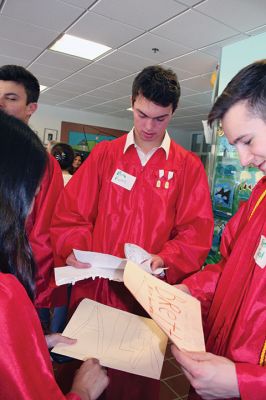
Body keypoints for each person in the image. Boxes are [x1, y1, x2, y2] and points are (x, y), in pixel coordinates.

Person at [51, 65, 214, 399]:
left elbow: (195, 233)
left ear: (173, 113)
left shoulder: (187, 167)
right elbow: (71, 215)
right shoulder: (104, 156)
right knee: (82, 377)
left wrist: (164, 259)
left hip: (145, 300)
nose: (149, 126)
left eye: (161, 118)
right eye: (142, 115)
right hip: (95, 292)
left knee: (133, 387)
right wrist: (75, 248)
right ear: (132, 103)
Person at [172, 60, 266, 400]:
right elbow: (230, 266)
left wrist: (247, 384)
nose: (243, 160)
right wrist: (188, 291)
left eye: (248, 141)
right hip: (220, 367)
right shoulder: (260, 195)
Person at [0, 110, 109, 400]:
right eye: (32, 191)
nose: (34, 199)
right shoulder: (5, 295)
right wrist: (82, 391)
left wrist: (30, 344)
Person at [0, 64, 64, 332]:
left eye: (11, 98)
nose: (1, 105)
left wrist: (30, 294)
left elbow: (43, 236)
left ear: (31, 108)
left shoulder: (44, 165)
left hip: (20, 286)